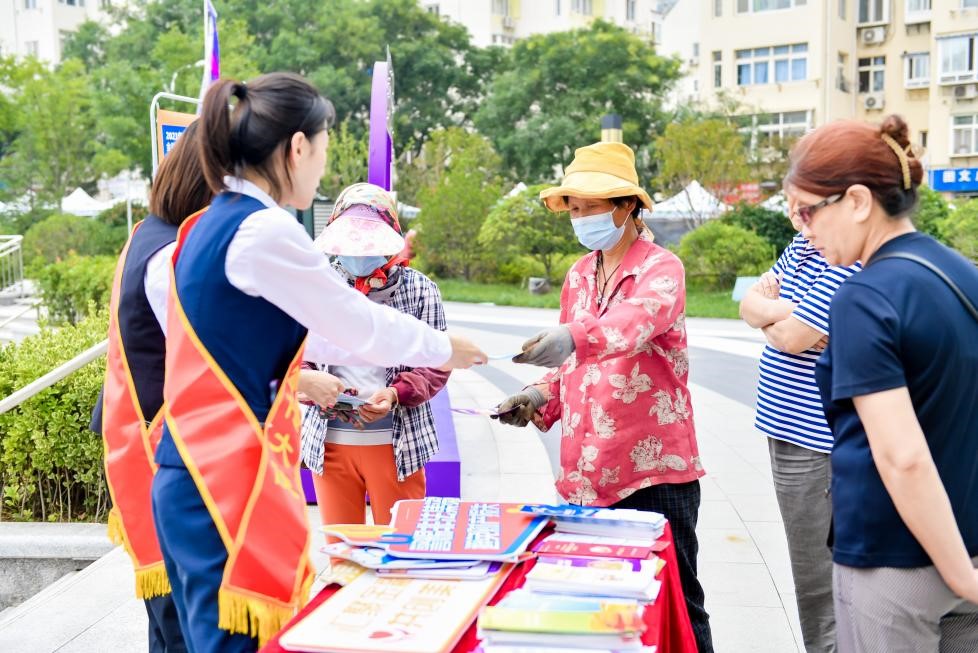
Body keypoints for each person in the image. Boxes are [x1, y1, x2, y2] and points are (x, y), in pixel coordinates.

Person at [151, 72, 486, 653]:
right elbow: (351, 323)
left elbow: (318, 339)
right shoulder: (262, 230)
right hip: (225, 477)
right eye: (325, 148)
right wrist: (442, 346)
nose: (323, 168)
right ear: (298, 147)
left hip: (198, 468)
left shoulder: (209, 224)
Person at [497, 142, 714, 652]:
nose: (580, 218)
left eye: (590, 207)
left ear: (626, 205)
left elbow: (632, 323)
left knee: (677, 601)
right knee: (597, 604)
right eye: (573, 209)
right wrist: (536, 394)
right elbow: (569, 363)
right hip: (586, 471)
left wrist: (573, 337)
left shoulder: (662, 269)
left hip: (653, 469)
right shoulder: (578, 275)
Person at [784, 114, 978, 652]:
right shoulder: (961, 273)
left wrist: (959, 575)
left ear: (857, 200)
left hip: (894, 560)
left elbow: (902, 457)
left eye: (808, 210)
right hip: (968, 538)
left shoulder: (864, 298)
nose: (804, 229)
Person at [91, 120, 211, 653]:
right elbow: (206, 358)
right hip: (161, 445)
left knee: (167, 618)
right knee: (183, 618)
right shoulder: (170, 254)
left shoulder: (148, 234)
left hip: (140, 434)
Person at [739, 201, 860, 652]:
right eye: (791, 206)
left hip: (818, 440)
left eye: (805, 207)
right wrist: (784, 311)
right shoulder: (802, 245)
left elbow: (793, 338)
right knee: (809, 571)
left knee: (819, 580)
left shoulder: (847, 257)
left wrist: (774, 312)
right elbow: (747, 305)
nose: (797, 219)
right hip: (785, 427)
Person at [300, 182, 450, 527]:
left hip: (399, 445)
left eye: (368, 241)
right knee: (342, 547)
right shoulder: (318, 285)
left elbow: (437, 362)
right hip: (329, 444)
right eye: (351, 241)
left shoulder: (420, 289)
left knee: (399, 544)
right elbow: (295, 350)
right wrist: (313, 384)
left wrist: (396, 393)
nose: (359, 251)